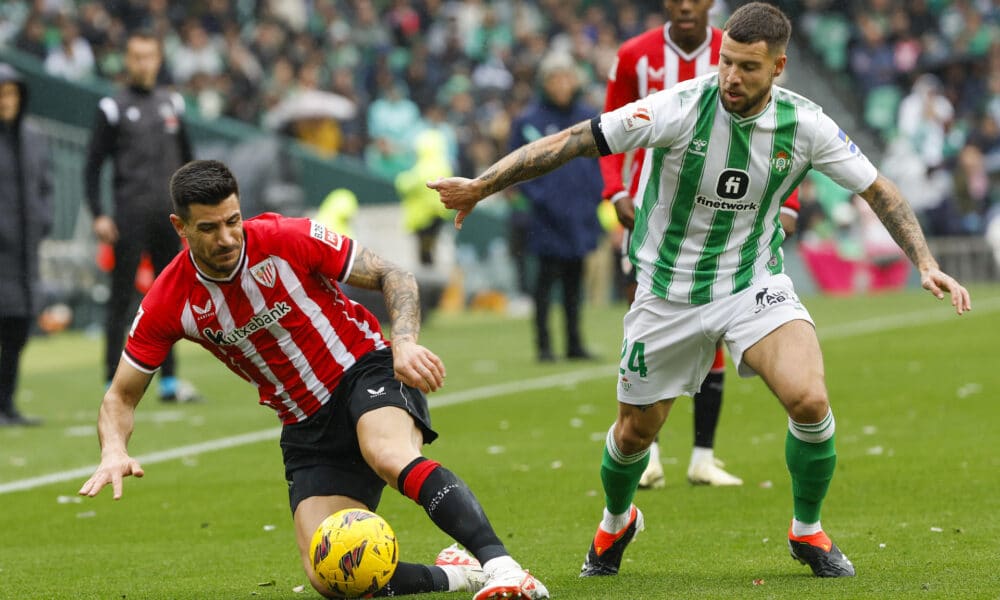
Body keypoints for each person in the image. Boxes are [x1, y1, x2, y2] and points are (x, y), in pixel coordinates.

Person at [429, 2, 971, 580]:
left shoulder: (806, 124)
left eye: (748, 68)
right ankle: (616, 520)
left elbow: (878, 190)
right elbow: (573, 140)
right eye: (726, 63)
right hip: (666, 291)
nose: (731, 78)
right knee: (635, 432)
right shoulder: (680, 106)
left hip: (751, 283)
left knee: (810, 400)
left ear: (779, 67)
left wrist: (925, 261)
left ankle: (807, 530)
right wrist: (482, 186)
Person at [78, 160, 549, 600]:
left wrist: (403, 342)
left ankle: (504, 566)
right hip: (304, 423)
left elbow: (393, 274)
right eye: (209, 228)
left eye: (233, 221)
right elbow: (120, 396)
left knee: (386, 452)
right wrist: (114, 449)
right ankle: (461, 574)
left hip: (364, 367)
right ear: (180, 228)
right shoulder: (168, 300)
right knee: (329, 574)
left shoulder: (286, 237)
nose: (226, 238)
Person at [601, 0, 799, 489]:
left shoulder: (741, 50)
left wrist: (787, 201)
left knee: (716, 329)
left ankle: (703, 456)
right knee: (648, 327)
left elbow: (782, 127)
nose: (686, 4)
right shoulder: (634, 56)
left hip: (727, 215)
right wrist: (616, 191)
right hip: (656, 216)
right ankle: (646, 452)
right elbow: (608, 124)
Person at [83, 30, 199, 403]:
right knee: (121, 299)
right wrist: (99, 214)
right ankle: (108, 380)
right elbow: (91, 167)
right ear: (127, 60)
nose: (143, 63)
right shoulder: (112, 107)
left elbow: (188, 162)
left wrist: (192, 211)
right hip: (128, 216)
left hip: (169, 218)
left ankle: (169, 381)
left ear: (159, 58)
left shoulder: (173, 105)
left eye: (149, 56)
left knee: (170, 298)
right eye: (136, 56)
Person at [509, 51, 603, 363]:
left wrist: (593, 197)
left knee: (576, 283)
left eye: (567, 77)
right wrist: (541, 199)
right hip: (545, 219)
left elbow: (601, 162)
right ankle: (544, 345)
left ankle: (575, 343)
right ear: (544, 83)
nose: (562, 84)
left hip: (580, 214)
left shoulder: (588, 116)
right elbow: (515, 167)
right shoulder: (528, 120)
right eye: (555, 78)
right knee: (545, 284)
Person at [0, 63, 52, 427]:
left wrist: (42, 220)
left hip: (24, 254)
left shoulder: (34, 137)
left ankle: (8, 404)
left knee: (18, 330)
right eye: (2, 94)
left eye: (12, 94)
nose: (7, 101)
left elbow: (45, 185)